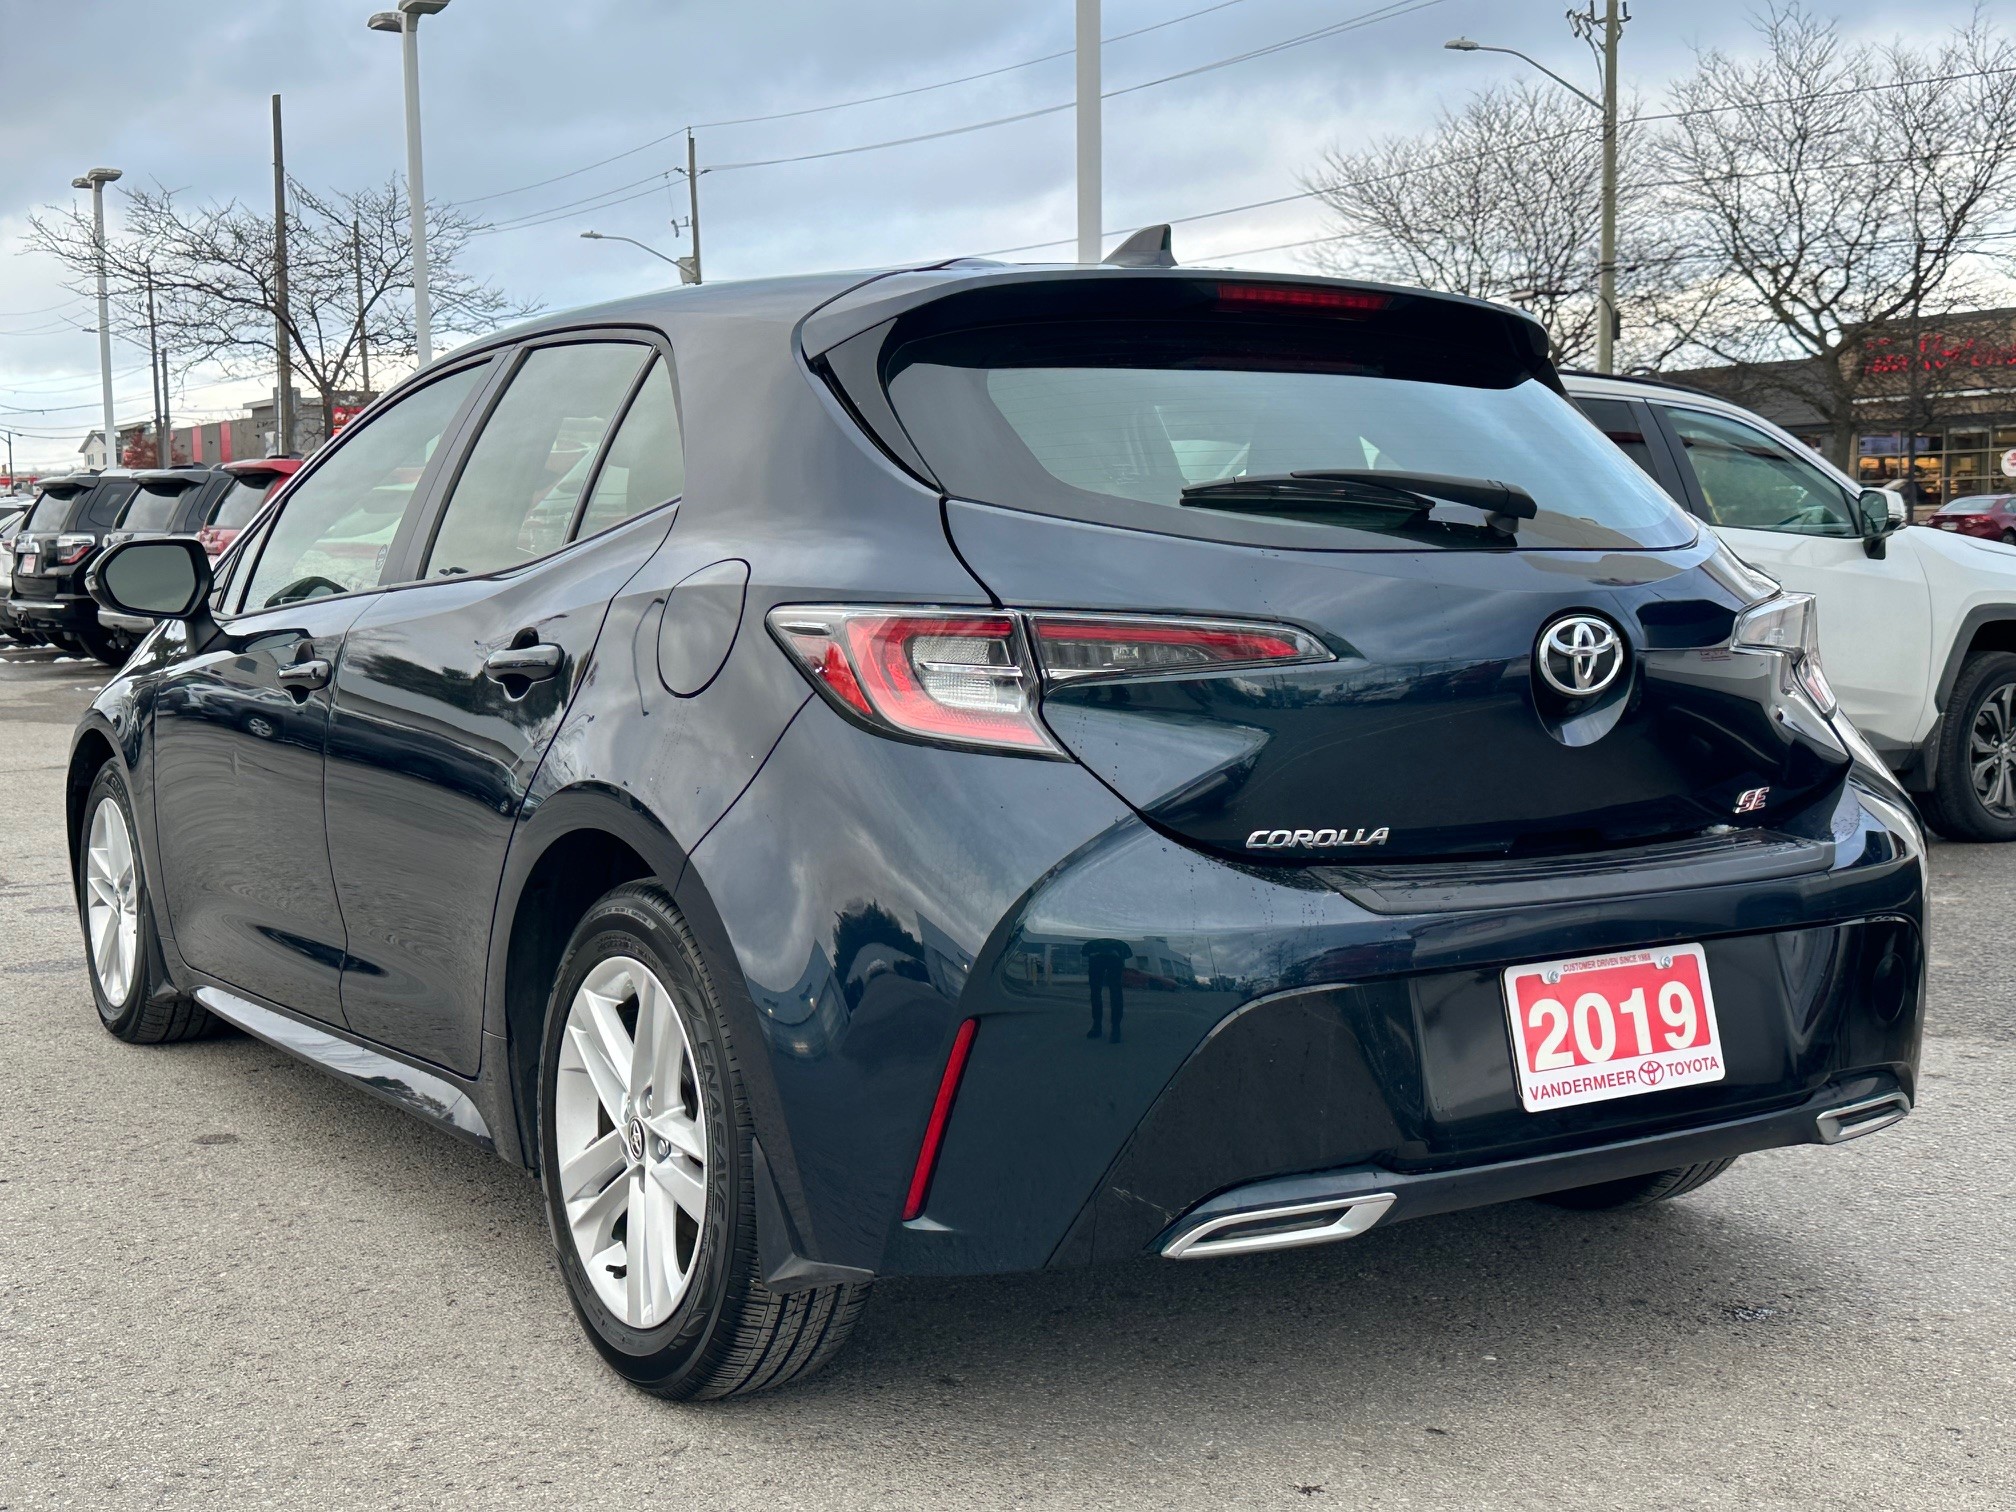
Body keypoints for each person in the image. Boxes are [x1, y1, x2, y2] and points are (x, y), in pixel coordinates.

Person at [1082, 938, 1130, 1044]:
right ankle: (1109, 1027)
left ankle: (1107, 1027)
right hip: (1109, 949)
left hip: (1102, 949)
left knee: (1105, 992)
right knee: (1109, 992)